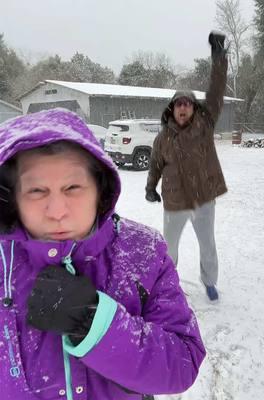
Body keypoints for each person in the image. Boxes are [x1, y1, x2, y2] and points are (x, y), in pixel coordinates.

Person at [0, 108, 205, 400]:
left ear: (100, 188)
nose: (57, 211)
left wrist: (93, 323)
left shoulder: (143, 252)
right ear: (12, 198)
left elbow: (183, 362)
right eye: (36, 191)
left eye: (73, 187)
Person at [145, 32, 228, 301]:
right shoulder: (162, 137)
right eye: (178, 104)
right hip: (175, 200)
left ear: (193, 109)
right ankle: (167, 284)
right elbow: (155, 165)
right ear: (172, 109)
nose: (183, 108)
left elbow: (216, 91)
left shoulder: (204, 126)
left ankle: (210, 282)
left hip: (203, 197)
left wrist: (218, 58)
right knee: (169, 248)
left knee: (208, 245)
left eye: (187, 104)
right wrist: (150, 187)